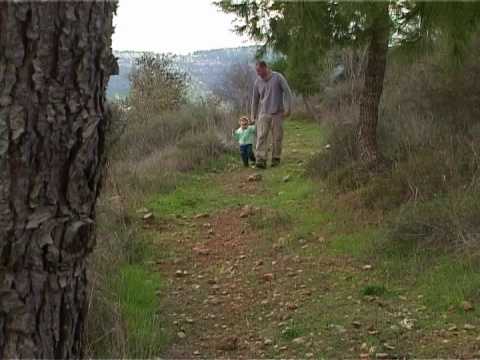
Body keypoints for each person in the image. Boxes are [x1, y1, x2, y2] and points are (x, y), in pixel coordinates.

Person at [251, 60, 292, 169]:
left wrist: (288, 107)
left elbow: (287, 91)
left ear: (265, 68)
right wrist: (253, 115)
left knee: (277, 137)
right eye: (256, 71)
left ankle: (276, 158)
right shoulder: (257, 83)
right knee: (261, 136)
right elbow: (255, 100)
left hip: (277, 112)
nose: (257, 73)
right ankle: (261, 159)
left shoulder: (278, 77)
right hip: (264, 113)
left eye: (259, 70)